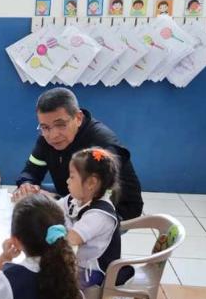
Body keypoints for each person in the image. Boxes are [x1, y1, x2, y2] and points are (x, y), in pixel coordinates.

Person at [14, 88, 143, 220]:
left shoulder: (102, 145)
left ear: (78, 118)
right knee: (27, 195)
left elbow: (98, 199)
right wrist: (26, 185)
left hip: (114, 209)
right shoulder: (46, 138)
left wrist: (55, 200)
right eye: (45, 127)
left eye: (61, 125)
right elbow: (31, 171)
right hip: (71, 193)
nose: (52, 135)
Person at [57, 147, 133, 289]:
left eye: (72, 177)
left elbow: (71, 239)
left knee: (53, 282)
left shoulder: (99, 215)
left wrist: (51, 230)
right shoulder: (77, 199)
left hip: (94, 270)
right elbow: (53, 208)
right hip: (78, 261)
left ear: (91, 183)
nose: (67, 181)